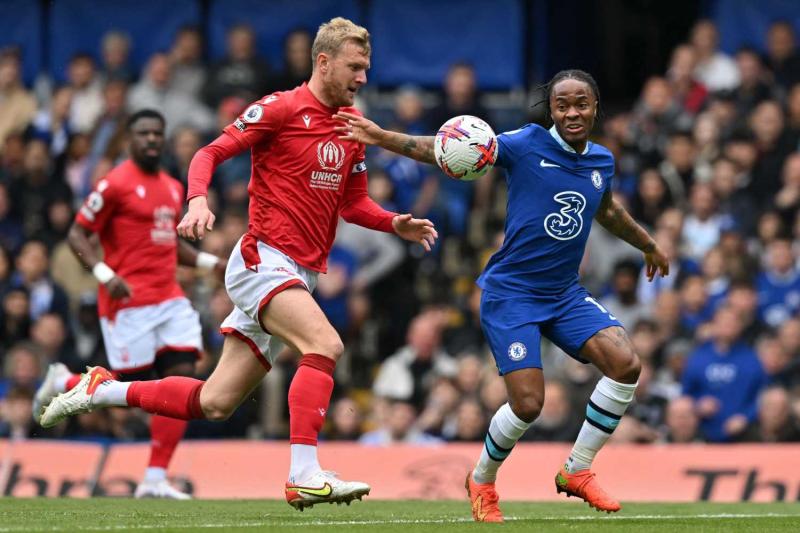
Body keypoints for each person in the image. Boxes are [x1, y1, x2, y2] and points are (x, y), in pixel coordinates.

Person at [40, 17, 437, 510]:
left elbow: (353, 203)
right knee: (325, 343)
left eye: (366, 69)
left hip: (298, 274)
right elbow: (209, 152)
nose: (362, 78)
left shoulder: (351, 125)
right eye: (355, 67)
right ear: (324, 62)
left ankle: (101, 391)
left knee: (215, 402)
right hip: (261, 261)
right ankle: (304, 474)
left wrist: (393, 222)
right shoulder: (280, 107)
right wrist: (198, 201)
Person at [334, 69, 669, 520]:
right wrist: (382, 137)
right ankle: (482, 479)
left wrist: (647, 243)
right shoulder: (525, 143)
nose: (572, 112)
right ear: (550, 109)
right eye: (562, 104)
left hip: (563, 293)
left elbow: (606, 209)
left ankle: (578, 469)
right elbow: (440, 149)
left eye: (581, 104)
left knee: (627, 364)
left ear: (595, 108)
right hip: (512, 293)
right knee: (529, 404)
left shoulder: (602, 161)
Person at [33, 109, 226, 499]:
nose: (152, 139)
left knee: (182, 382)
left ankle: (155, 478)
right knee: (131, 394)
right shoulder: (115, 183)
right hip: (128, 301)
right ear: (129, 140)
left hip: (169, 298)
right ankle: (64, 381)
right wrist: (105, 275)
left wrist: (212, 263)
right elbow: (77, 235)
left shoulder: (174, 188)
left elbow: (170, 245)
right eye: (144, 133)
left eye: (158, 133)